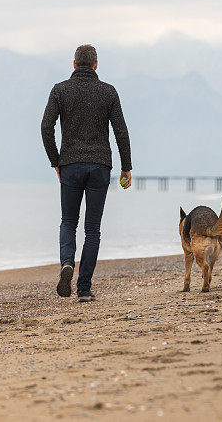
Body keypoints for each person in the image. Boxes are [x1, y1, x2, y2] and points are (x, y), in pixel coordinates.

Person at [41, 44, 132, 302]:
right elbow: (121, 131)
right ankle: (84, 288)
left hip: (70, 164)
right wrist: (126, 166)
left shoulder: (60, 90)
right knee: (92, 230)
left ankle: (67, 262)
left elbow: (46, 127)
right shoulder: (108, 92)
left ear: (73, 64)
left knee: (68, 222)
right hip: (99, 165)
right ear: (95, 64)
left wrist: (55, 161)